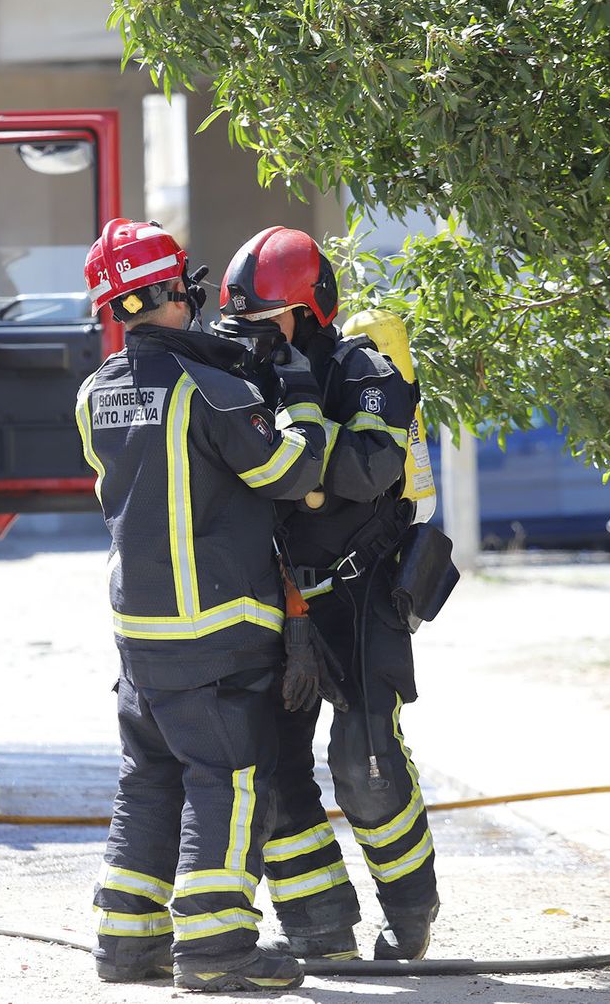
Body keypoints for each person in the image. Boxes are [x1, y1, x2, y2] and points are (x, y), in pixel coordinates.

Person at [75, 218, 328, 992]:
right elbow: (292, 470)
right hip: (214, 633)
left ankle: (128, 947)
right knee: (228, 782)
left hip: (140, 636)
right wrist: (302, 394)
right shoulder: (206, 389)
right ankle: (218, 953)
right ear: (168, 292)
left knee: (149, 779)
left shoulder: (96, 394)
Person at [216, 226, 441, 961]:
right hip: (280, 600)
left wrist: (301, 406)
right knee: (274, 772)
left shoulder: (362, 368)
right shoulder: (247, 375)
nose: (253, 334)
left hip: (360, 593)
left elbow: (367, 471)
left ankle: (410, 915)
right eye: (242, 321)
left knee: (364, 764)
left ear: (308, 309)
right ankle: (320, 928)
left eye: (266, 319)